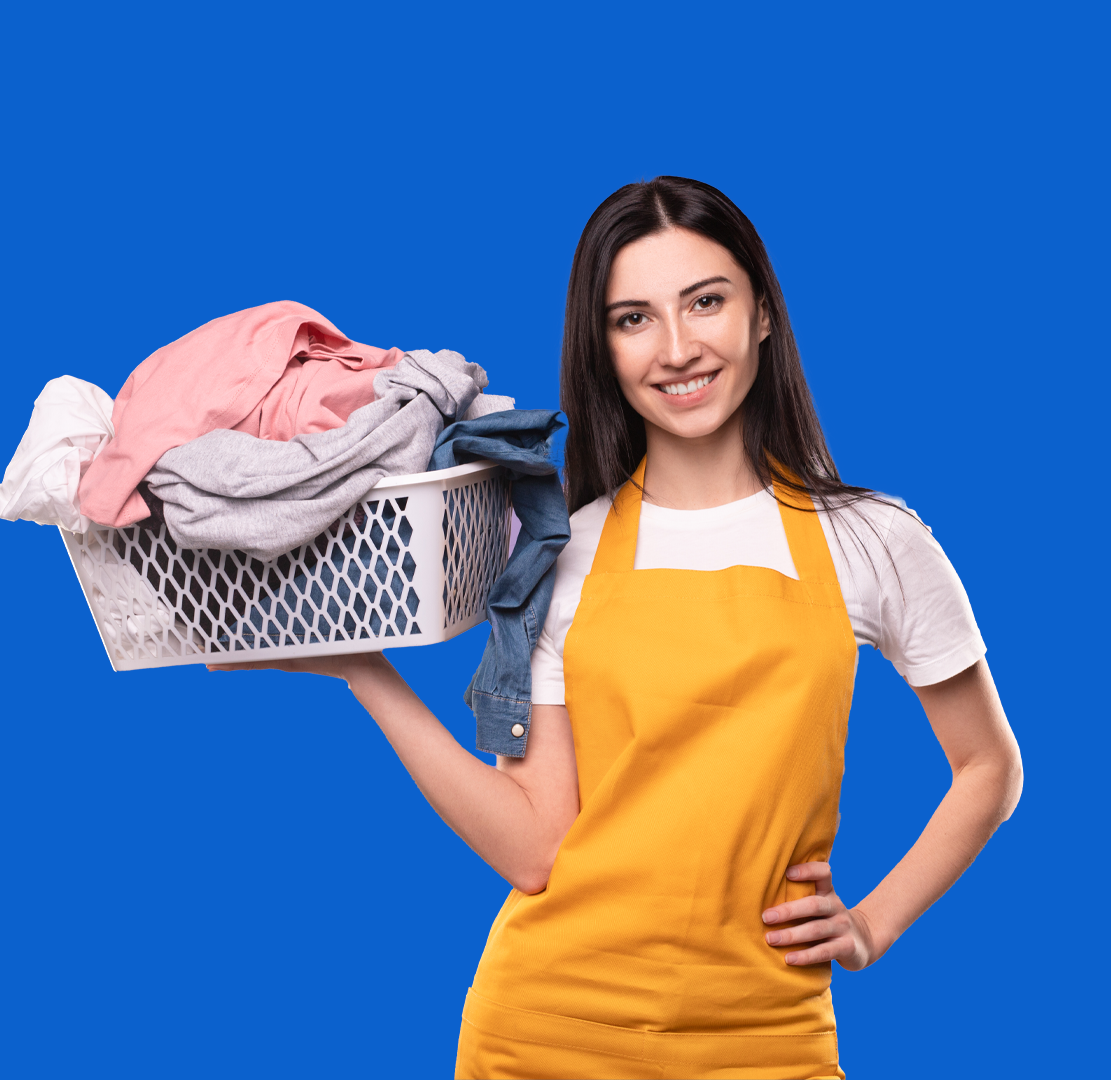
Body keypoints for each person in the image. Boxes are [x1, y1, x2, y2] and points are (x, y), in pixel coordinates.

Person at [210, 176, 1022, 1079]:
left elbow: (989, 766)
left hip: (768, 1038)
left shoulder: (872, 541)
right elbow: (534, 848)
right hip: (547, 1032)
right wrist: (367, 671)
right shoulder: (561, 554)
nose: (676, 349)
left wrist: (874, 922)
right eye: (633, 318)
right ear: (602, 347)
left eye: (705, 302)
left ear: (761, 314)